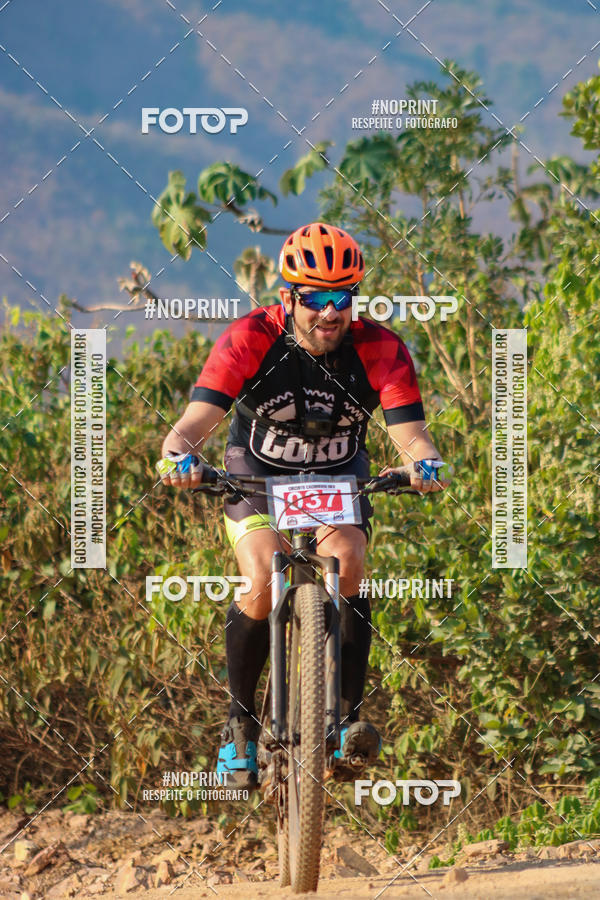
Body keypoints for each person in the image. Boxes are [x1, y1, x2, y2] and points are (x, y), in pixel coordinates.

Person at [157, 222, 450, 789]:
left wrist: (425, 465)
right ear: (288, 297)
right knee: (263, 579)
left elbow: (412, 435)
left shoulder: (380, 348)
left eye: (343, 298)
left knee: (349, 564)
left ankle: (342, 722)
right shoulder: (248, 337)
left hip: (338, 473)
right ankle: (238, 730)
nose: (330, 313)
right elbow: (192, 425)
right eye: (315, 299)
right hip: (258, 473)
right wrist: (177, 456)